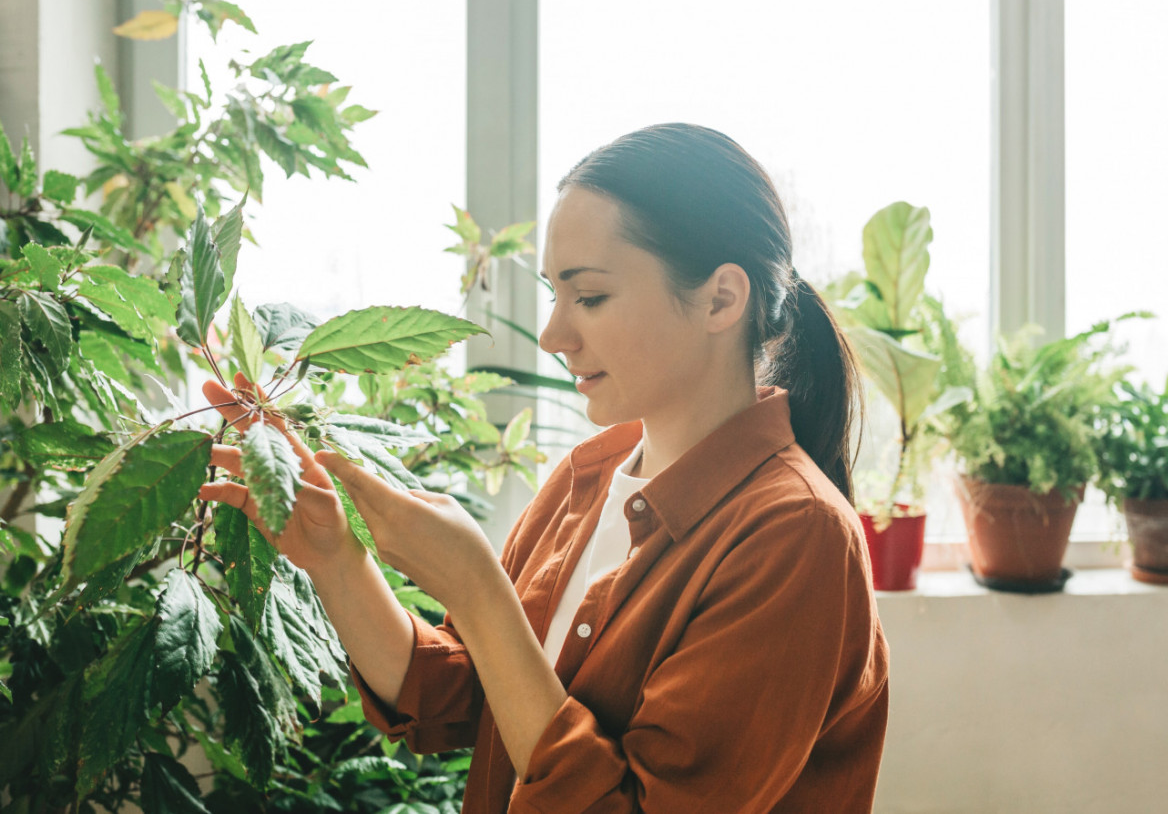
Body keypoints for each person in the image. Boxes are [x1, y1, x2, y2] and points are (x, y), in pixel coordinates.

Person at [201, 123, 889, 813]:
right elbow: (469, 700)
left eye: (589, 297)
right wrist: (336, 560)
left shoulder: (796, 536)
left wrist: (479, 591)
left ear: (721, 299)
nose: (554, 336)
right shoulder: (588, 476)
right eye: (554, 296)